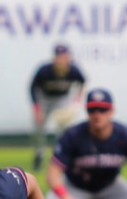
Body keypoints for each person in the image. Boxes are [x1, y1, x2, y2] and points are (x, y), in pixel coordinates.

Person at [29, 43, 86, 172]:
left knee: (64, 129)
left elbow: (82, 81)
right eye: (59, 56)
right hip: (45, 99)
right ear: (54, 57)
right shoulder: (45, 70)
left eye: (64, 56)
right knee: (39, 129)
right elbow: (32, 87)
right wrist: (37, 108)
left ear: (68, 57)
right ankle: (39, 155)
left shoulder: (73, 70)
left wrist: (77, 98)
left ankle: (60, 156)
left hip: (62, 99)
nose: (61, 59)